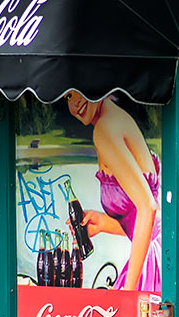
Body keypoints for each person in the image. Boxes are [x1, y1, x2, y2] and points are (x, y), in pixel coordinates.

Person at [65, 91, 161, 292]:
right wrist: (102, 223)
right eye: (67, 97)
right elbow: (146, 218)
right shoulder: (117, 118)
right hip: (154, 255)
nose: (75, 103)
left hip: (149, 263)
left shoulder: (105, 129)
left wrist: (128, 294)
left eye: (79, 90)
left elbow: (148, 208)